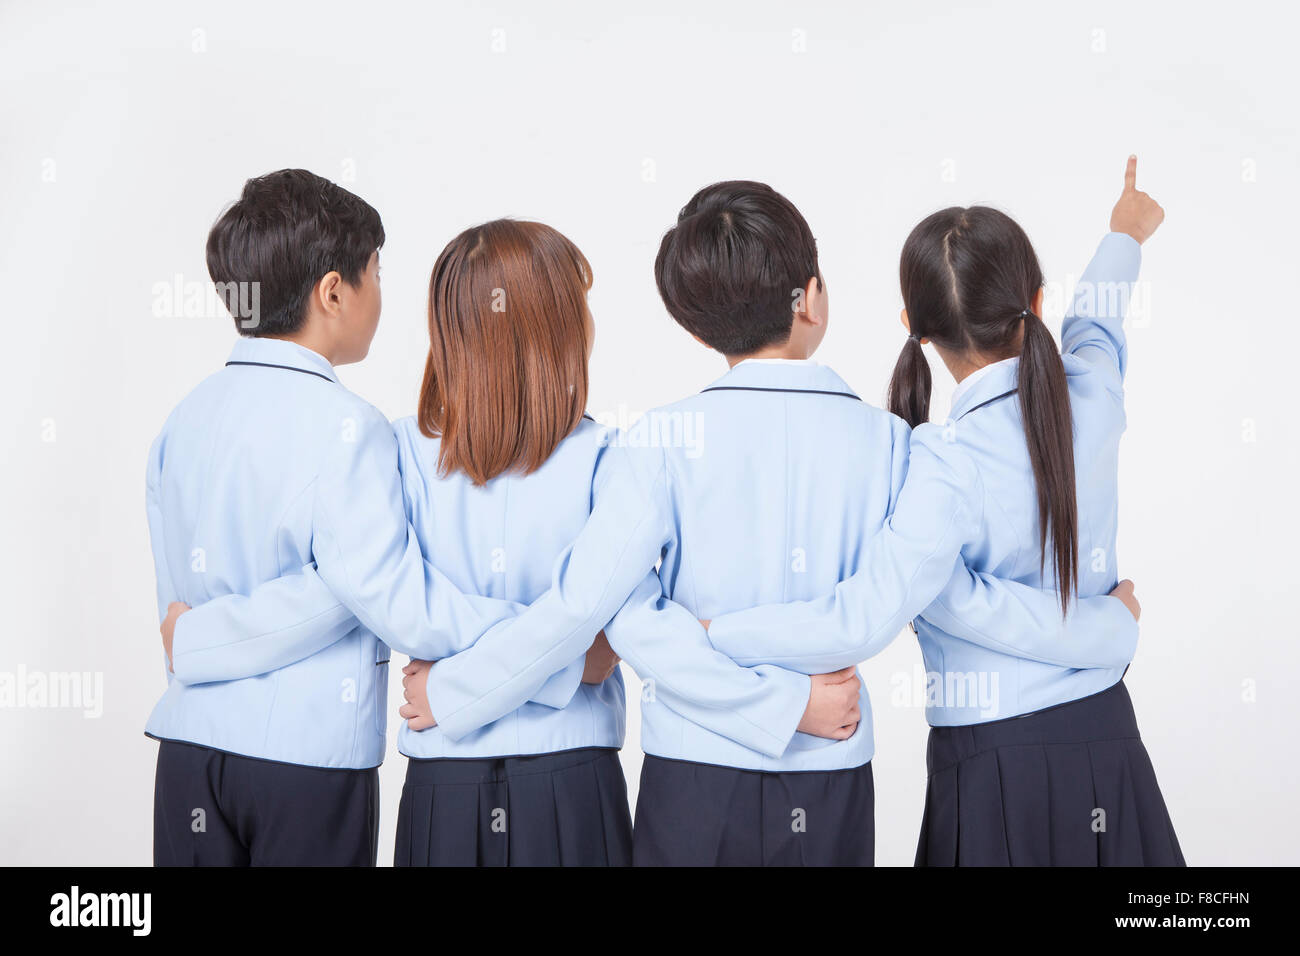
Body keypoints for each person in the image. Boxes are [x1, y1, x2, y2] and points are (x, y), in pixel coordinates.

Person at [704, 158, 1181, 865]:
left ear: (915, 329)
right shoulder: (1095, 393)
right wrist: (1125, 234)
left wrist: (721, 633)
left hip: (993, 761)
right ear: (1036, 303)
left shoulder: (937, 460)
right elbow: (1096, 324)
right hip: (1106, 735)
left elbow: (893, 609)